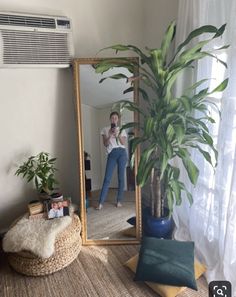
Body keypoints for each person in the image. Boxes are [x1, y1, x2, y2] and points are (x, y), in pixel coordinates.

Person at [96, 111, 128, 210]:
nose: (114, 119)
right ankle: (100, 203)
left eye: (116, 118)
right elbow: (105, 144)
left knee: (121, 177)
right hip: (112, 154)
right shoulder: (105, 129)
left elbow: (123, 143)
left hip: (122, 153)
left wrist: (117, 134)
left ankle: (119, 201)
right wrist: (110, 134)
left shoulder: (122, 129)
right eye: (112, 118)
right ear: (110, 119)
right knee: (107, 178)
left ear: (118, 120)